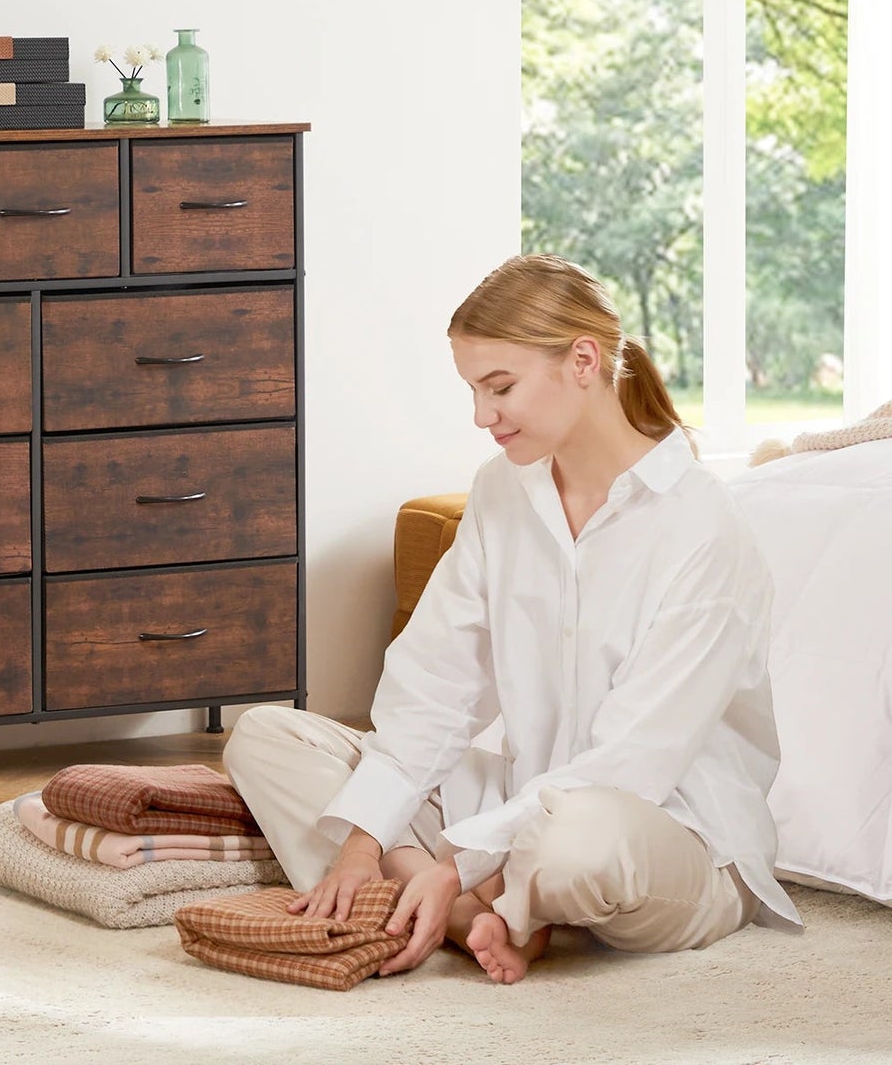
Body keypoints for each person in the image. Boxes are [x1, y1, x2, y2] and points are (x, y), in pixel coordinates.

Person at [224, 254, 802, 984]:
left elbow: (629, 765)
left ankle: (457, 889)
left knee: (578, 839)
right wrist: (361, 844)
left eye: (500, 387)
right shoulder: (502, 492)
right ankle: (468, 914)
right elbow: (432, 687)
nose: (481, 415)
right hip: (517, 802)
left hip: (669, 835)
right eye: (472, 389)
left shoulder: (703, 527)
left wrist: (460, 858)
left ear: (582, 360)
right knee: (266, 737)